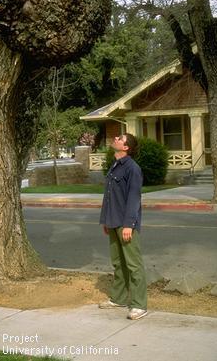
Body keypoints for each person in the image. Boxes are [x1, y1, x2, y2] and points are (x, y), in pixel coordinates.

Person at [99, 133, 148, 320]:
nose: (116, 139)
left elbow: (134, 198)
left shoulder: (132, 168)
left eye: (120, 138)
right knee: (118, 263)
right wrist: (105, 220)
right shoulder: (114, 166)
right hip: (113, 222)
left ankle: (139, 305)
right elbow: (109, 196)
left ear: (126, 147)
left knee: (133, 265)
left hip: (125, 224)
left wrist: (129, 224)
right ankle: (118, 298)